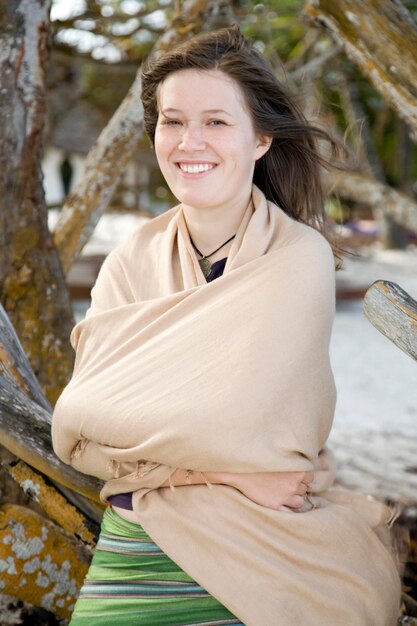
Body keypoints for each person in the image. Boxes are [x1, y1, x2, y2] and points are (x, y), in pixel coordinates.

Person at [52, 24, 401, 626]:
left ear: (261, 137)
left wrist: (157, 446)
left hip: (269, 539)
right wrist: (215, 470)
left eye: (216, 121)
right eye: (172, 120)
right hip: (142, 534)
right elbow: (80, 432)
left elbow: (260, 440)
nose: (190, 142)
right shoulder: (130, 260)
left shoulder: (297, 257)